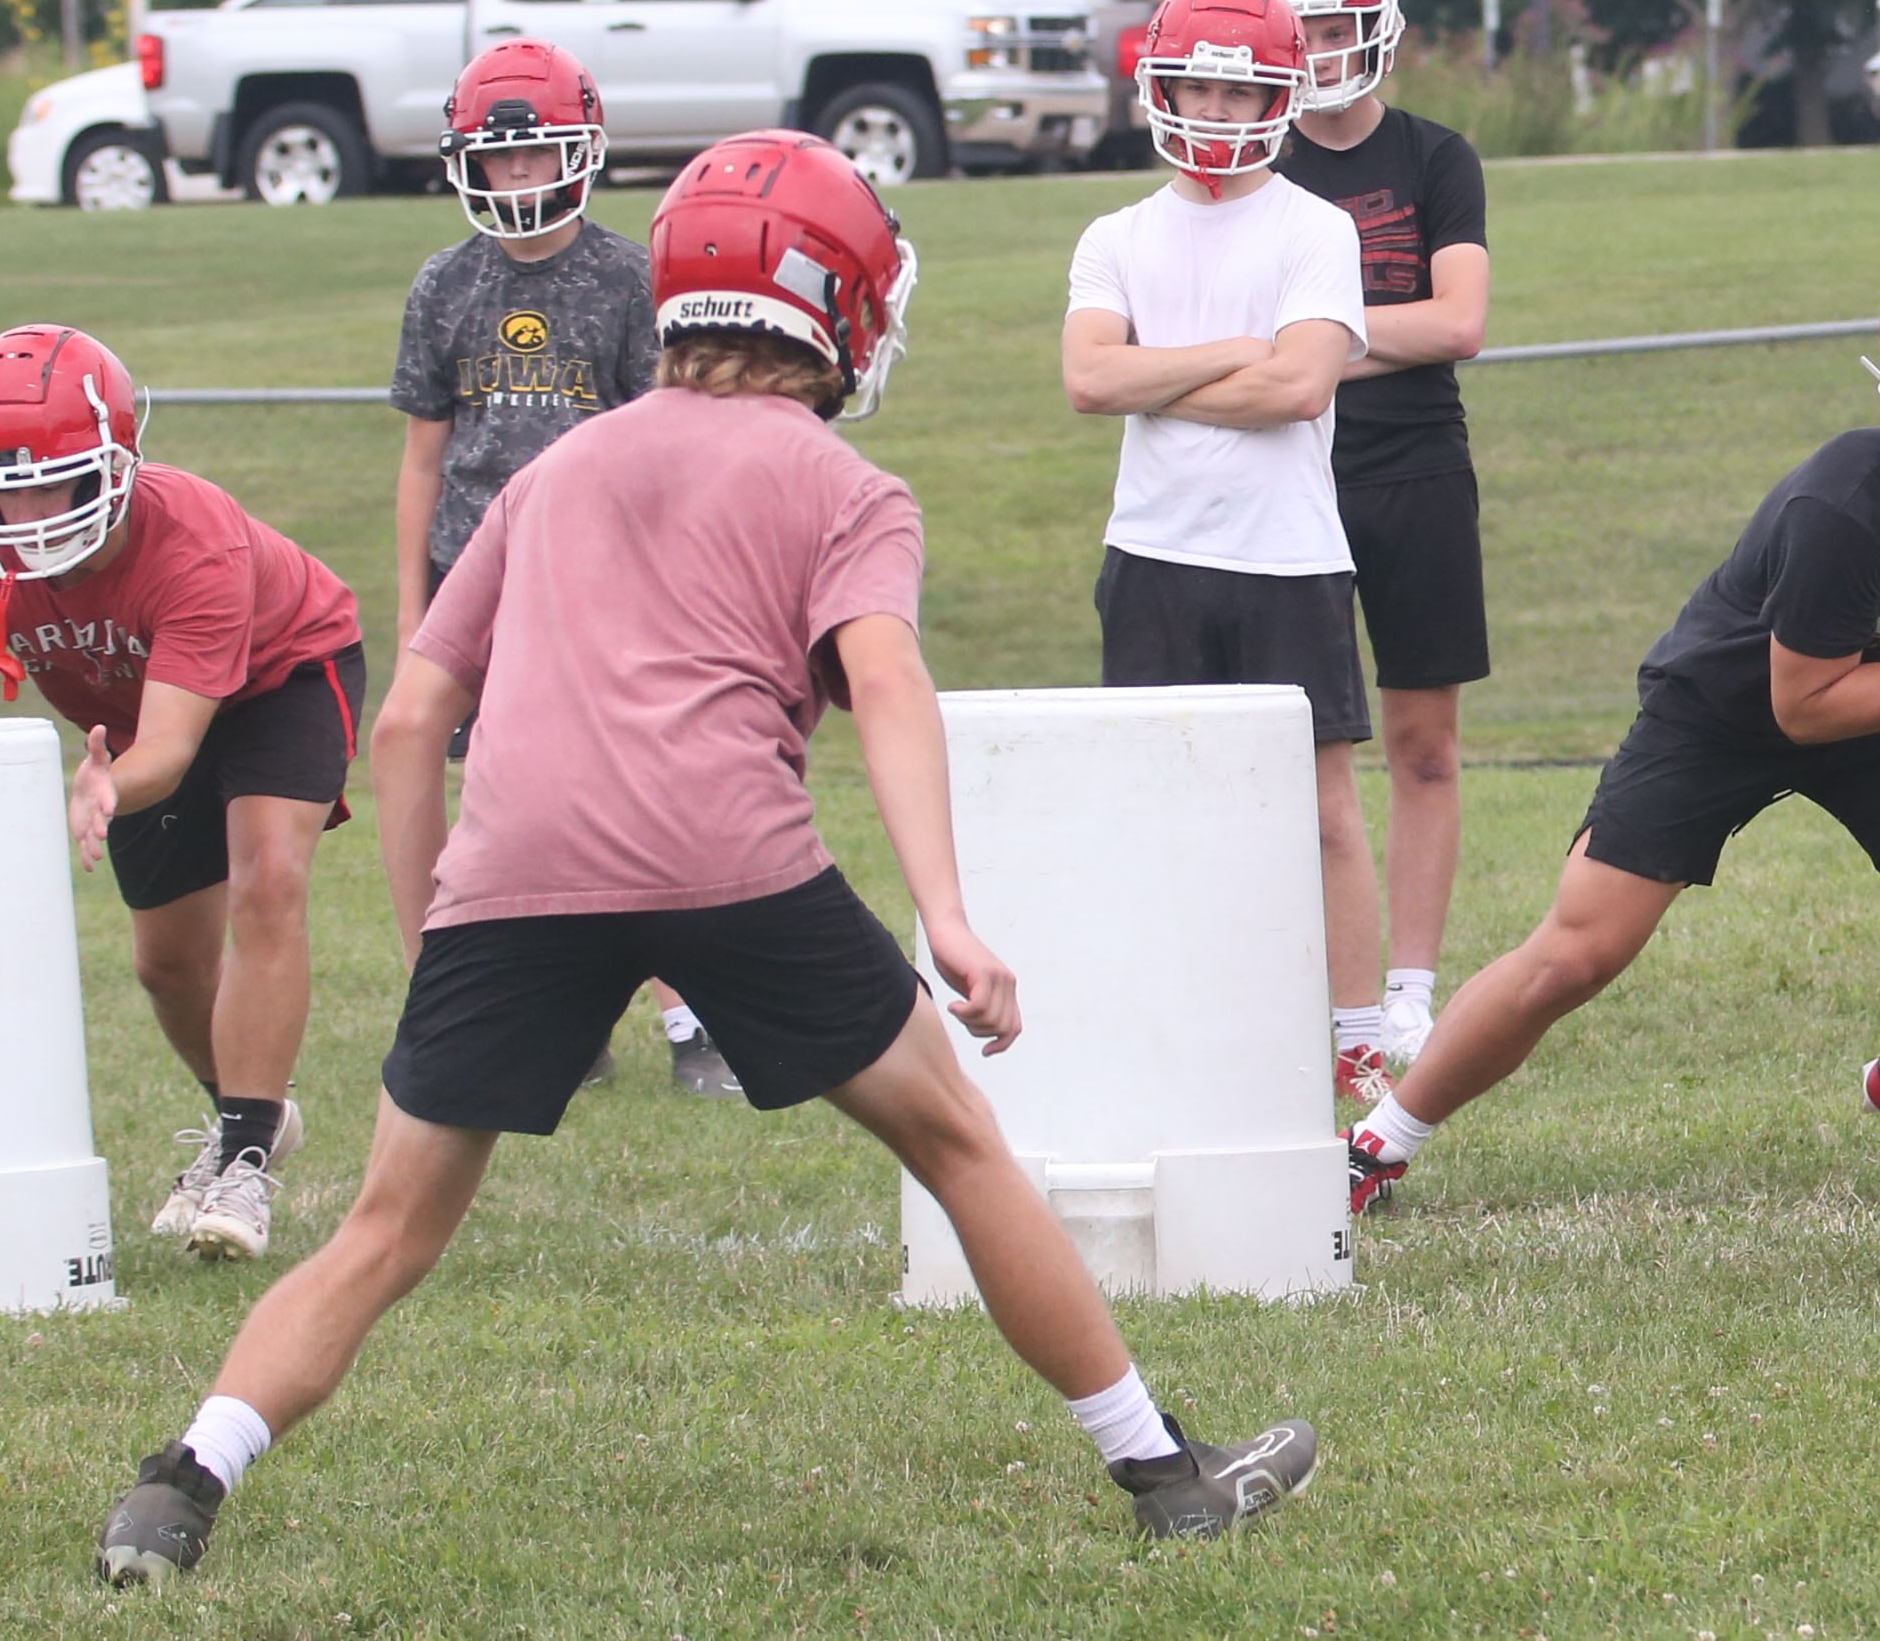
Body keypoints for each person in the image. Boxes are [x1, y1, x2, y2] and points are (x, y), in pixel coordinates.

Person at [93, 130, 1316, 1587]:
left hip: (514, 875)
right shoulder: (844, 482)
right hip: (729, 859)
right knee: (957, 1141)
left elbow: (413, 717)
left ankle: (181, 1482)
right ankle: (1161, 1468)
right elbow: (893, 693)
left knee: (383, 1228)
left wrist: (435, 933)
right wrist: (946, 910)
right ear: (842, 307)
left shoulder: (551, 472)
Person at [1346, 247, 1880, 1213]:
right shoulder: (1842, 508)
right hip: (1731, 712)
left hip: (1874, 692)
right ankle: (1378, 1140)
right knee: (1575, 952)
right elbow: (1802, 706)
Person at [0, 325, 363, 1263]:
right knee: (165, 963)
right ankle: (250, 1115)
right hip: (129, 735)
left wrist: (104, 783)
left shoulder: (188, 534)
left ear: (112, 464)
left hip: (280, 677)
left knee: (267, 877)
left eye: (49, 479)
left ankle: (242, 1159)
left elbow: (172, 746)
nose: (24, 509)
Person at [1060, 0, 1388, 1094]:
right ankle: (1167, 1019)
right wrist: (1229, 351)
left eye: (1235, 95)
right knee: (1156, 805)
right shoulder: (1115, 234)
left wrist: (1159, 374)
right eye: (1193, 89)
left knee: (1323, 810)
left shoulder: (1317, 227)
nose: (1210, 113)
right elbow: (1088, 379)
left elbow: (1299, 386)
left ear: (1277, 103)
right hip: (1151, 552)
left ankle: (1355, 1036)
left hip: (1286, 553)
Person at [390, 41, 728, 1098]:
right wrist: (414, 608)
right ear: (468, 165)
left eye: (539, 158)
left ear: (578, 154)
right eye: (501, 162)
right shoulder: (443, 283)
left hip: (600, 575)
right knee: (503, 810)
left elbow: (665, 445)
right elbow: (422, 458)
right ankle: (530, 1016)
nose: (520, 179)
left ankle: (688, 1017)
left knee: (625, 794)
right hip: (474, 578)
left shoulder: (633, 278)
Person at [1262, 0, 1492, 1070]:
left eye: (1336, 24)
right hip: (1284, 468)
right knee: (1289, 746)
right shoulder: (1256, 165)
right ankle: (1304, 975)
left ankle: (1407, 986)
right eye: (1297, 27)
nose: (1318, 48)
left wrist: (1314, 341)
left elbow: (1459, 322)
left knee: (1423, 738)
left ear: (1381, 27)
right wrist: (1332, 350)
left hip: (1413, 467)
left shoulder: (1434, 156)